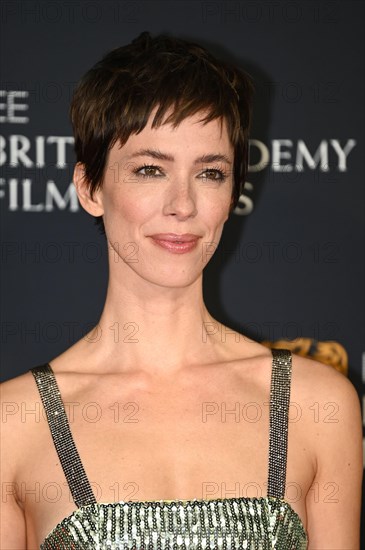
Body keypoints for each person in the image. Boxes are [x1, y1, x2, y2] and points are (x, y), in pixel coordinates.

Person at [1, 31, 362, 549]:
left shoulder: (316, 405)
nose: (183, 205)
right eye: (151, 170)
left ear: (232, 190)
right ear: (90, 188)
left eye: (210, 173)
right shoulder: (14, 425)